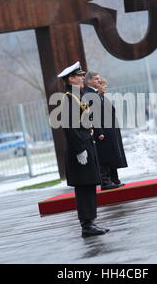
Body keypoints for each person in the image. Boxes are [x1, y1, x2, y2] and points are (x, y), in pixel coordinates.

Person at [57, 61, 109, 238]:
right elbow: (69, 127)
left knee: (89, 186)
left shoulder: (77, 96)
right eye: (79, 76)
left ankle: (90, 221)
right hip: (79, 148)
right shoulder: (69, 98)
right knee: (84, 187)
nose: (82, 78)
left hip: (87, 144)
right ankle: (86, 225)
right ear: (71, 79)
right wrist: (80, 149)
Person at [93, 76, 127, 190]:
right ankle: (106, 181)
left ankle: (114, 179)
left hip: (112, 130)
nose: (105, 87)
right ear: (98, 87)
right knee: (107, 157)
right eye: (103, 85)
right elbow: (96, 117)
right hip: (105, 130)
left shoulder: (103, 97)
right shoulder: (96, 98)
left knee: (113, 155)